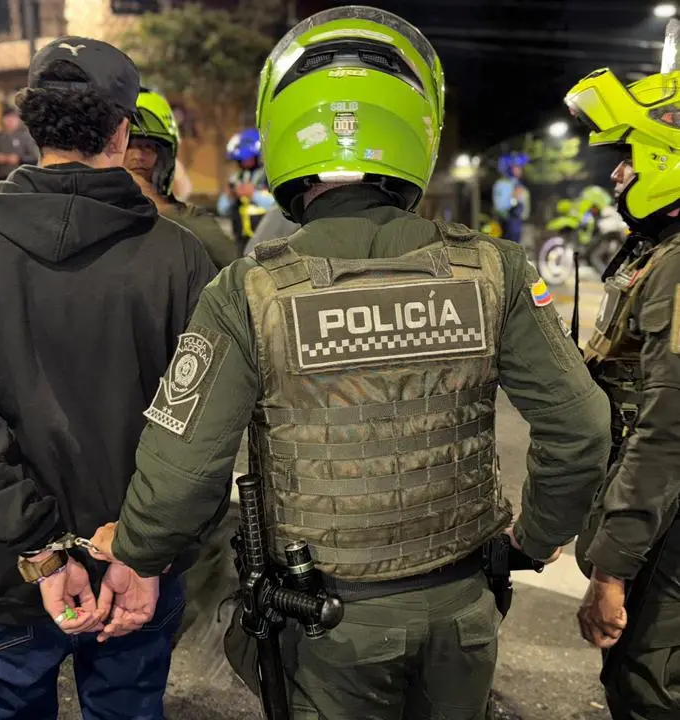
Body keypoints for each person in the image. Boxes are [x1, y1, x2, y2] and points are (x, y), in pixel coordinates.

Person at [88, 7, 612, 719]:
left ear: (283, 133)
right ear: (416, 130)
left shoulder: (251, 289)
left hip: (326, 620)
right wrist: (534, 539)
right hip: (464, 605)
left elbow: (185, 471)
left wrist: (138, 548)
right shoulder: (495, 270)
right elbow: (581, 427)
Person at [0, 35, 216, 720]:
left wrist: (42, 554)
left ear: (28, 124)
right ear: (122, 128)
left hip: (4, 577)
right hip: (134, 569)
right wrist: (143, 550)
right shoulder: (180, 261)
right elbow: (200, 430)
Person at [566, 54, 680, 720]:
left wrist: (613, 568)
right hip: (659, 519)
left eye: (628, 156)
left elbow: (668, 429)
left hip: (668, 529)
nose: (616, 172)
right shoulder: (656, 251)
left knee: (647, 686)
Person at [124, 89, 238, 269]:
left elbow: (239, 276)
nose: (137, 155)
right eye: (128, 146)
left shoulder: (191, 224)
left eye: (148, 146)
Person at [217, 128, 275, 254]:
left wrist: (253, 194)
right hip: (242, 241)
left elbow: (277, 205)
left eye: (247, 159)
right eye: (241, 160)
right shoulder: (235, 178)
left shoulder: (268, 176)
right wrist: (231, 196)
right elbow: (222, 209)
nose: (244, 162)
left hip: (268, 238)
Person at [0, 105, 39, 178]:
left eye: (13, 118)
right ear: (2, 119)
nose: (10, 121)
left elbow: (35, 158)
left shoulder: (26, 136)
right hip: (2, 177)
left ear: (18, 119)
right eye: (7, 117)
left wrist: (19, 159)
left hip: (23, 178)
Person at [492, 153, 531, 244]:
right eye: (516, 167)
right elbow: (500, 207)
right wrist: (513, 199)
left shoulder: (519, 184)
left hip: (518, 221)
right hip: (506, 223)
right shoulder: (502, 184)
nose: (519, 170)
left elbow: (525, 204)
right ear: (509, 168)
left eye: (520, 167)